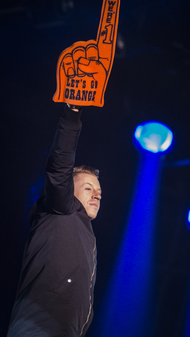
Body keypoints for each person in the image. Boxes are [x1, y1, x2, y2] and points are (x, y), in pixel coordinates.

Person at [7, 103, 101, 337]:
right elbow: (60, 163)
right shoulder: (63, 209)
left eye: (99, 191)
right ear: (68, 190)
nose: (97, 194)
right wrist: (73, 114)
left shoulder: (85, 233)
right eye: (88, 188)